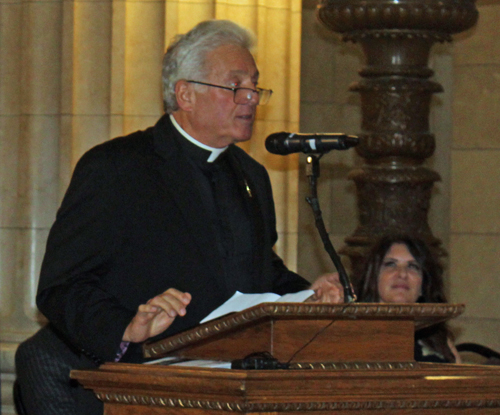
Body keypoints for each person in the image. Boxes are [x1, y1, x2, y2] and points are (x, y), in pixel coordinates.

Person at [15, 19, 344, 415]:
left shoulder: (251, 176)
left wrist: (309, 294)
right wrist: (126, 328)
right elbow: (62, 285)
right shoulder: (117, 167)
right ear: (185, 94)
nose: (252, 97)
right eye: (236, 85)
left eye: (255, 85)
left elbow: (258, 273)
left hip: (232, 386)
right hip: (140, 388)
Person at [355, 235, 461, 363]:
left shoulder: (436, 339)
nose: (402, 274)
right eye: (391, 264)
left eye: (412, 266)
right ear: (373, 277)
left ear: (423, 285)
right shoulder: (352, 333)